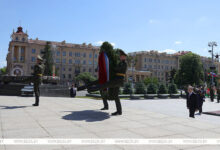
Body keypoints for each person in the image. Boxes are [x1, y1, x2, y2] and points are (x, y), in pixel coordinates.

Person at [88, 50, 127, 116]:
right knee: (116, 96)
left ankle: (93, 89)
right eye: (120, 56)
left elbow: (117, 69)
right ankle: (119, 111)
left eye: (122, 56)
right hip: (117, 79)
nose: (121, 57)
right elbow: (116, 69)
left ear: (124, 57)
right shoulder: (120, 63)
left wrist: (111, 66)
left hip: (118, 80)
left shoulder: (124, 63)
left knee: (106, 84)